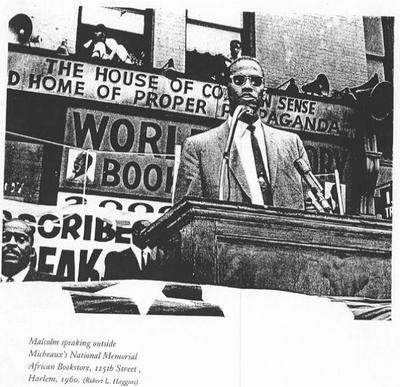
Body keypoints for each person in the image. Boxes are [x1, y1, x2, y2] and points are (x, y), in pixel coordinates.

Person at [174, 56, 309, 209]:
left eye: (255, 81)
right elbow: (185, 216)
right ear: (226, 92)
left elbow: (310, 206)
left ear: (264, 93)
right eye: (239, 80)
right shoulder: (198, 147)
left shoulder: (292, 144)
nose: (247, 87)